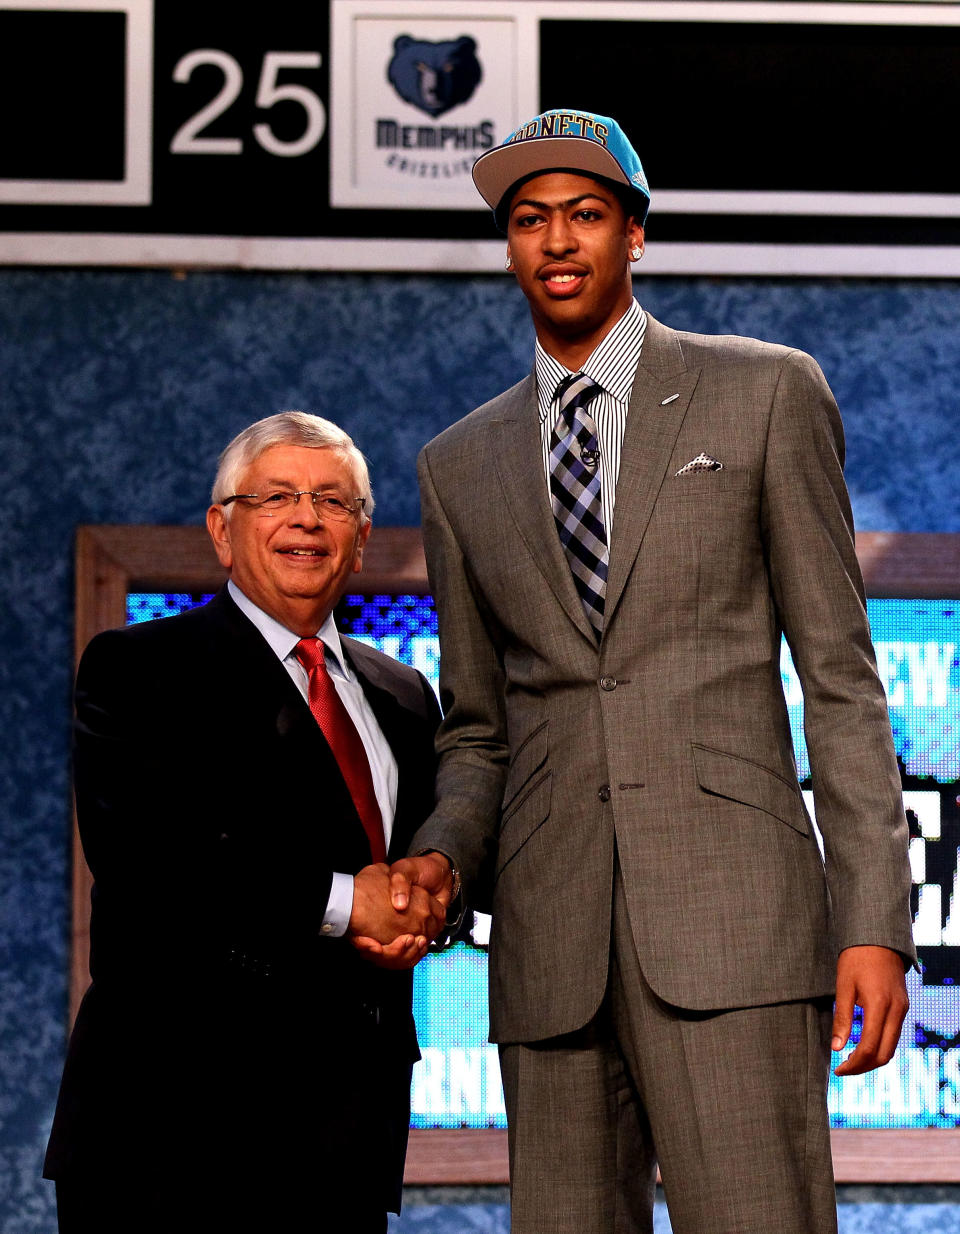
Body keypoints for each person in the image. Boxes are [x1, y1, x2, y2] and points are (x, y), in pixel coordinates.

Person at [392, 109, 916, 1233]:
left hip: (737, 923)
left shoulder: (766, 392)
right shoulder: (458, 462)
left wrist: (872, 918)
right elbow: (479, 727)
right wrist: (440, 856)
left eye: (585, 213)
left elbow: (840, 676)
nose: (557, 240)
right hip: (548, 937)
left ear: (635, 234)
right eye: (529, 220)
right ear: (510, 248)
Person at [44, 412, 444, 1233]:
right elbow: (152, 863)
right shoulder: (139, 670)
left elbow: (414, 870)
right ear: (222, 531)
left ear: (361, 539)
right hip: (170, 1141)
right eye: (278, 497)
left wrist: (426, 906)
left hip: (348, 1139)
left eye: (333, 502)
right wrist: (346, 902)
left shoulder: (405, 697)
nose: (307, 517)